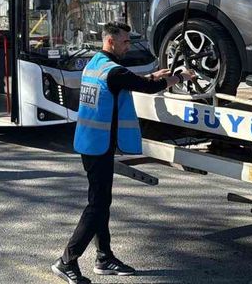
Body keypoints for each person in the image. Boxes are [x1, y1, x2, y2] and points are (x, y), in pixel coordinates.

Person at [51, 22, 196, 284]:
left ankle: (104, 257)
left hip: (90, 142)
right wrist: (177, 78)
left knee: (100, 203)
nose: (129, 45)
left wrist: (153, 75)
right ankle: (67, 261)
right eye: (126, 41)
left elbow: (128, 81)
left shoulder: (95, 63)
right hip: (98, 146)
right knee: (97, 205)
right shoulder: (113, 71)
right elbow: (143, 86)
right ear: (110, 42)